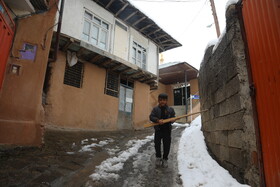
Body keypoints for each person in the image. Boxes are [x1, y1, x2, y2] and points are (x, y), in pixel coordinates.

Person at [149, 93, 176, 168]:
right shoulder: (155, 109)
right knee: (157, 144)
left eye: (164, 100)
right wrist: (157, 120)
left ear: (166, 101)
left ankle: (165, 159)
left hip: (167, 130)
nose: (162, 102)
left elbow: (173, 116)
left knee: (166, 145)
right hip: (158, 129)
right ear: (158, 100)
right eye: (160, 100)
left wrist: (173, 119)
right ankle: (158, 157)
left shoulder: (170, 109)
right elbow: (151, 117)